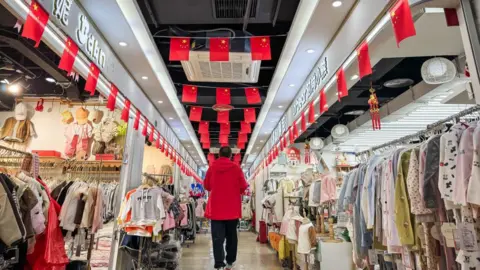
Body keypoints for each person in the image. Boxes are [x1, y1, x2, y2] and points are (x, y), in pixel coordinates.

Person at [204, 146, 249, 270]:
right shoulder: (236, 168)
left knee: (217, 238)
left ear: (219, 154)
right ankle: (230, 262)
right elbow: (243, 187)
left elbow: (207, 186)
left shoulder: (212, 168)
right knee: (232, 237)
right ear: (230, 156)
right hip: (232, 210)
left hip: (216, 209)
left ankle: (219, 263)